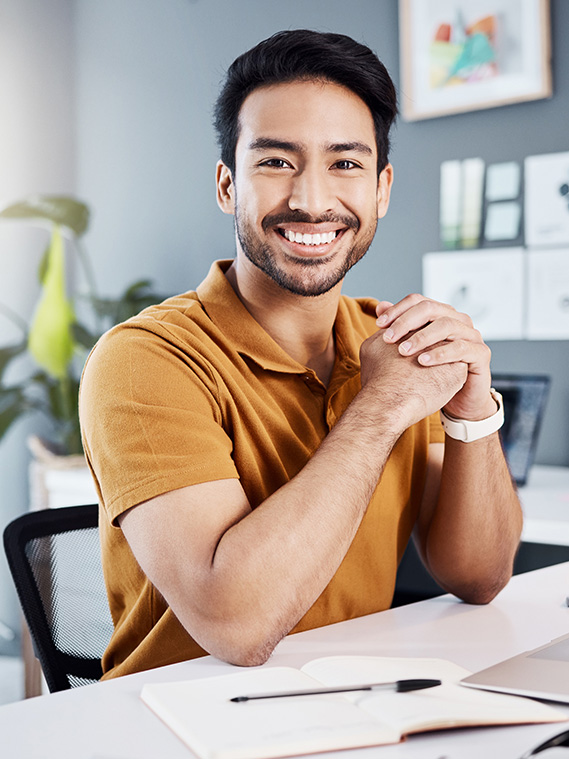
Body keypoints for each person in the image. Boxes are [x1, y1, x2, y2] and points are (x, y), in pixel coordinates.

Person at [79, 29, 522, 680]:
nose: (312, 201)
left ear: (382, 188)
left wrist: (471, 409)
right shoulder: (146, 358)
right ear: (228, 185)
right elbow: (237, 625)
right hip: (180, 723)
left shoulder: (389, 342)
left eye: (344, 163)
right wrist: (377, 410)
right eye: (276, 161)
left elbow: (479, 574)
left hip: (354, 702)